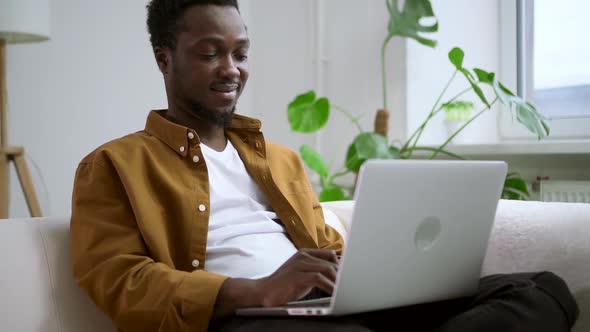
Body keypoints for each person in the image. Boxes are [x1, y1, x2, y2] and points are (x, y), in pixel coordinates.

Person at [69, 1, 579, 331]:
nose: (231, 69)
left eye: (240, 52)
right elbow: (120, 282)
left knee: (538, 289)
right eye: (210, 53)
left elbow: (326, 248)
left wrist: (377, 277)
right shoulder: (114, 165)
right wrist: (257, 291)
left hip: (322, 307)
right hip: (249, 319)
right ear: (165, 60)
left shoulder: (279, 160)